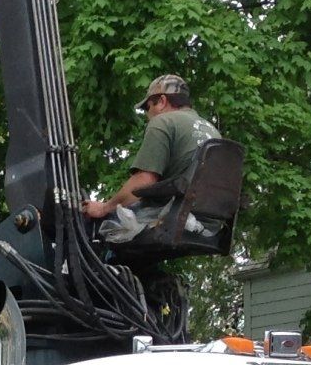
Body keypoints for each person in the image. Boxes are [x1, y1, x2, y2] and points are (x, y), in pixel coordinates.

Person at [82, 74, 219, 242]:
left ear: (161, 101)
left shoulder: (163, 122)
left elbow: (144, 180)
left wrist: (104, 208)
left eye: (147, 107)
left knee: (95, 225)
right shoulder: (212, 131)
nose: (147, 114)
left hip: (173, 217)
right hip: (209, 225)